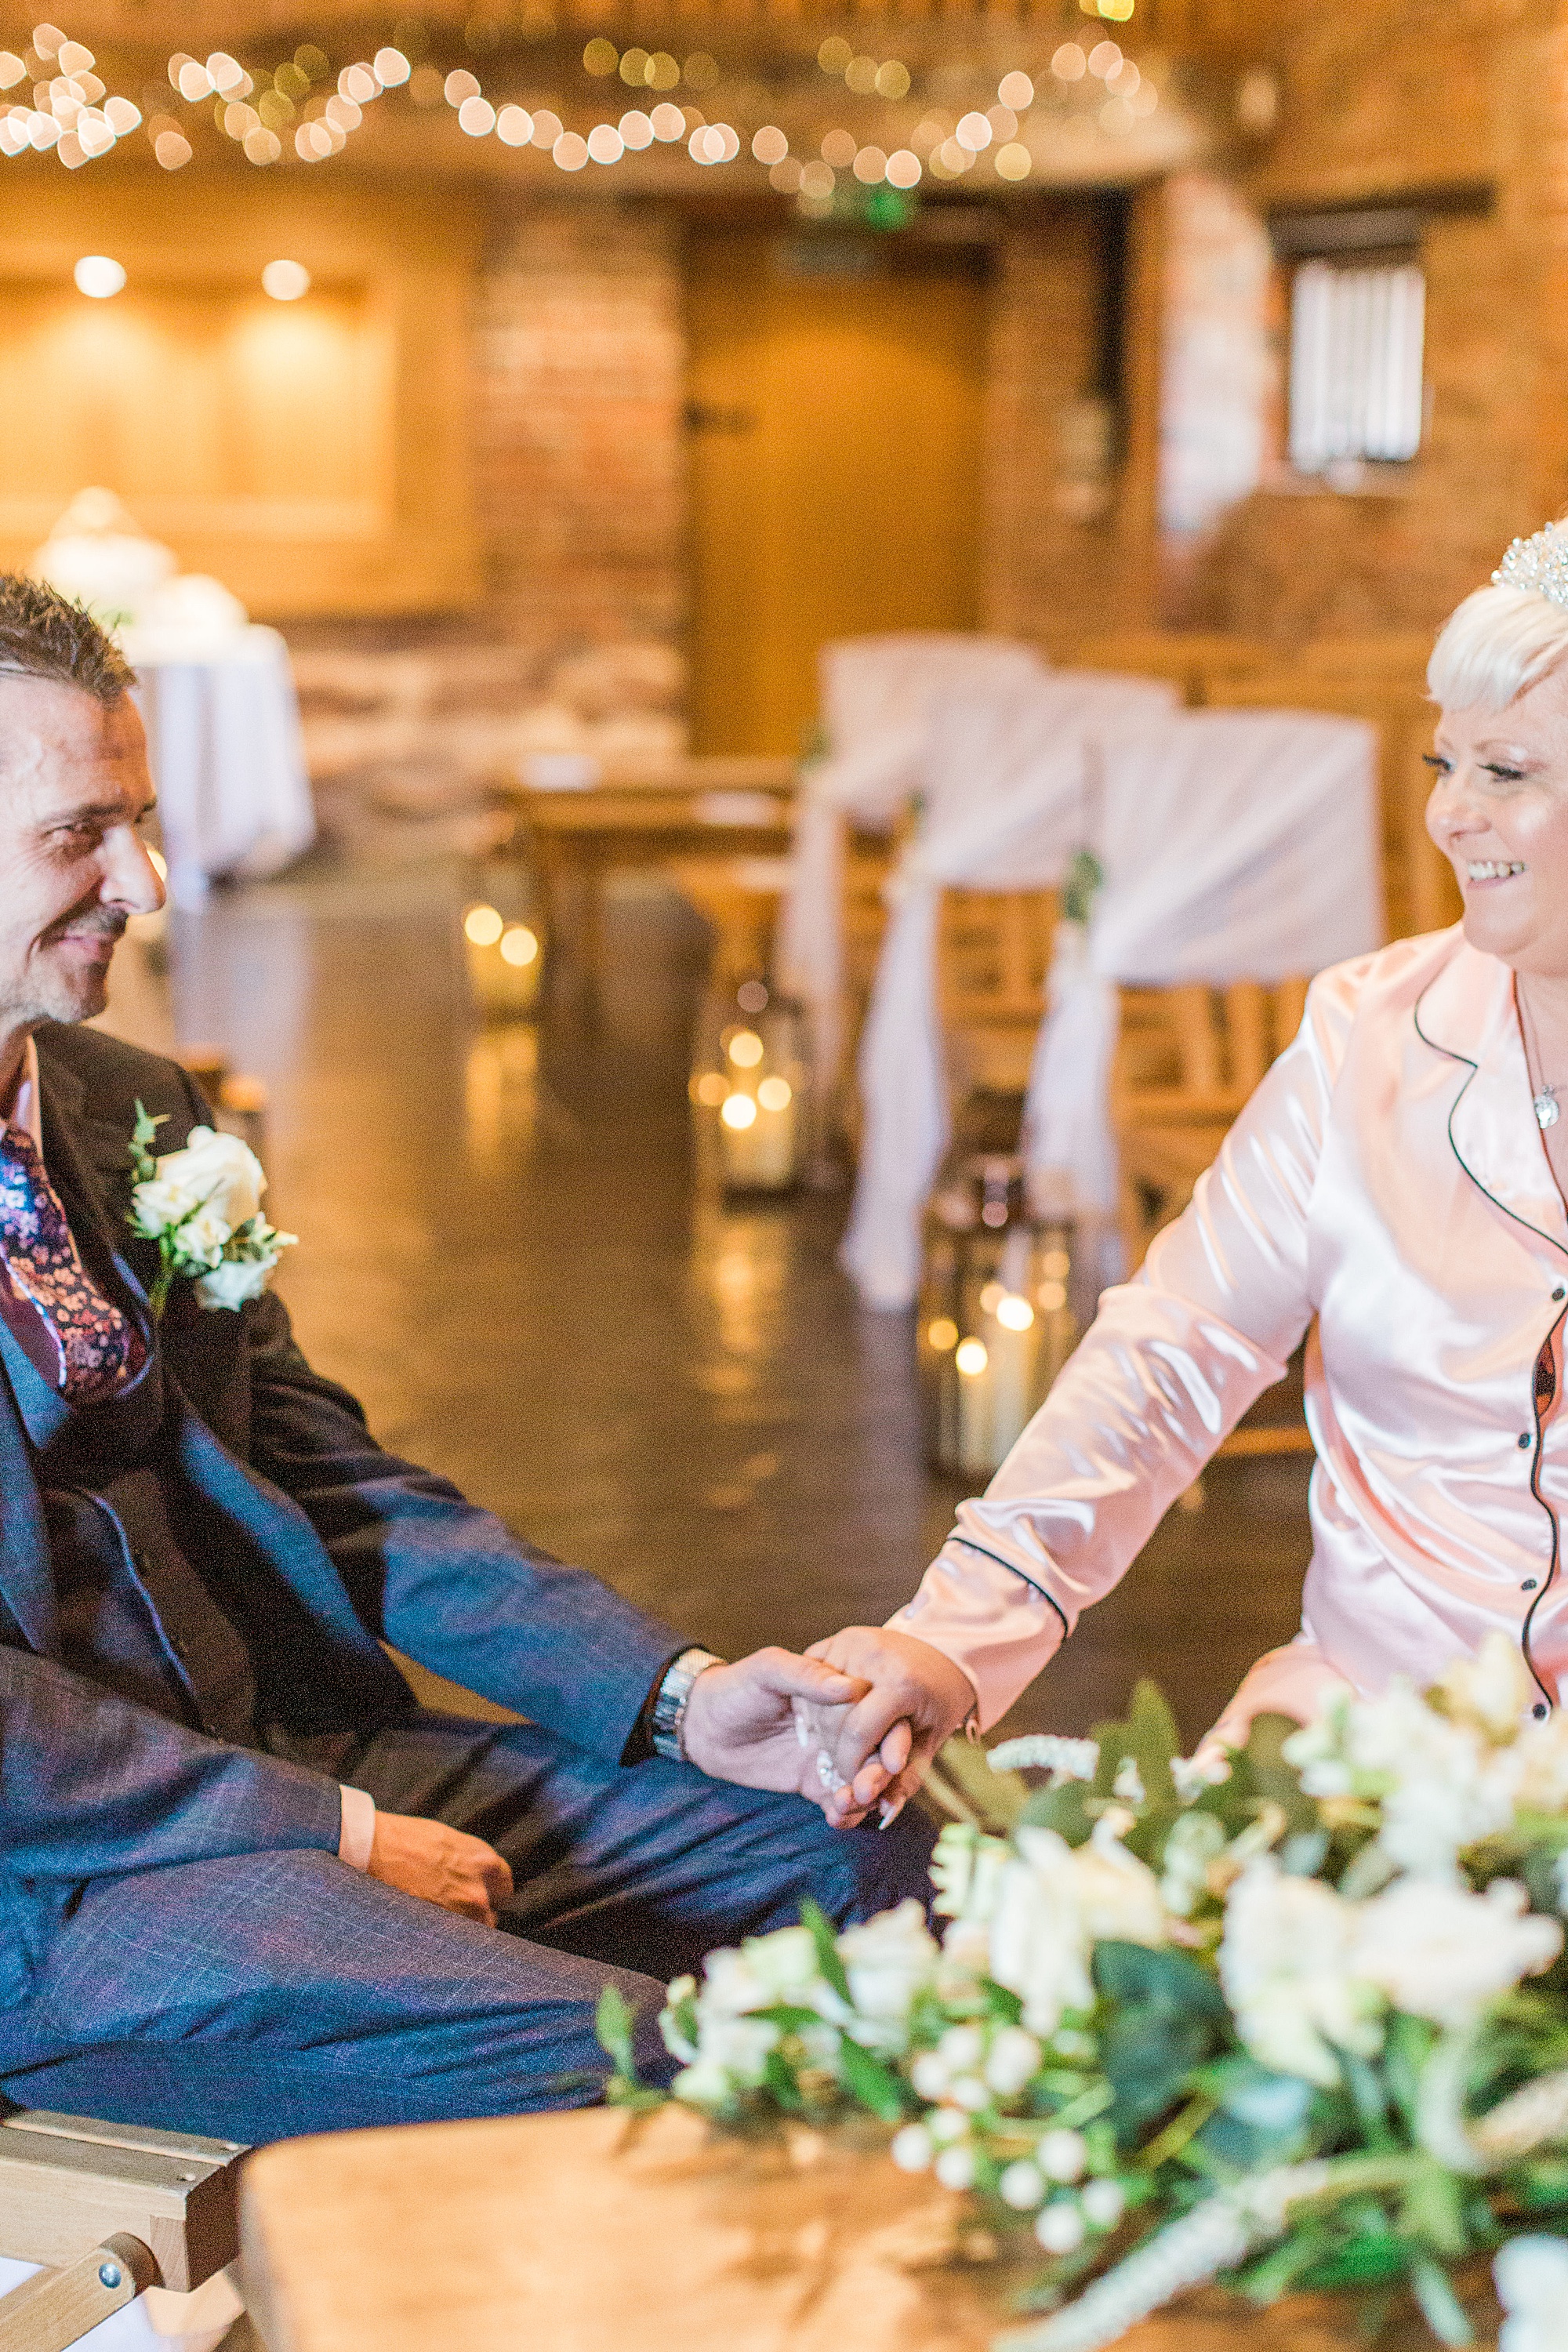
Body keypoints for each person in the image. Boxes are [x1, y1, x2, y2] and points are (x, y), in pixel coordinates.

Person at [0, 575, 935, 2147]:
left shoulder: (128, 1103)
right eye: (81, 834)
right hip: (58, 1897)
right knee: (658, 2067)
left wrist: (676, 1697)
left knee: (892, 1863)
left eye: (146, 823)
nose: (146, 884)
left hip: (290, 1750)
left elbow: (329, 1484)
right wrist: (336, 1832)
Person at [803, 518, 1568, 1815]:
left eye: (1505, 770)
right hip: (1361, 1753)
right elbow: (1173, 1350)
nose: (1449, 813)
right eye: (1446, 763)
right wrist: (960, 1630)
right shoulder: (1363, 1036)